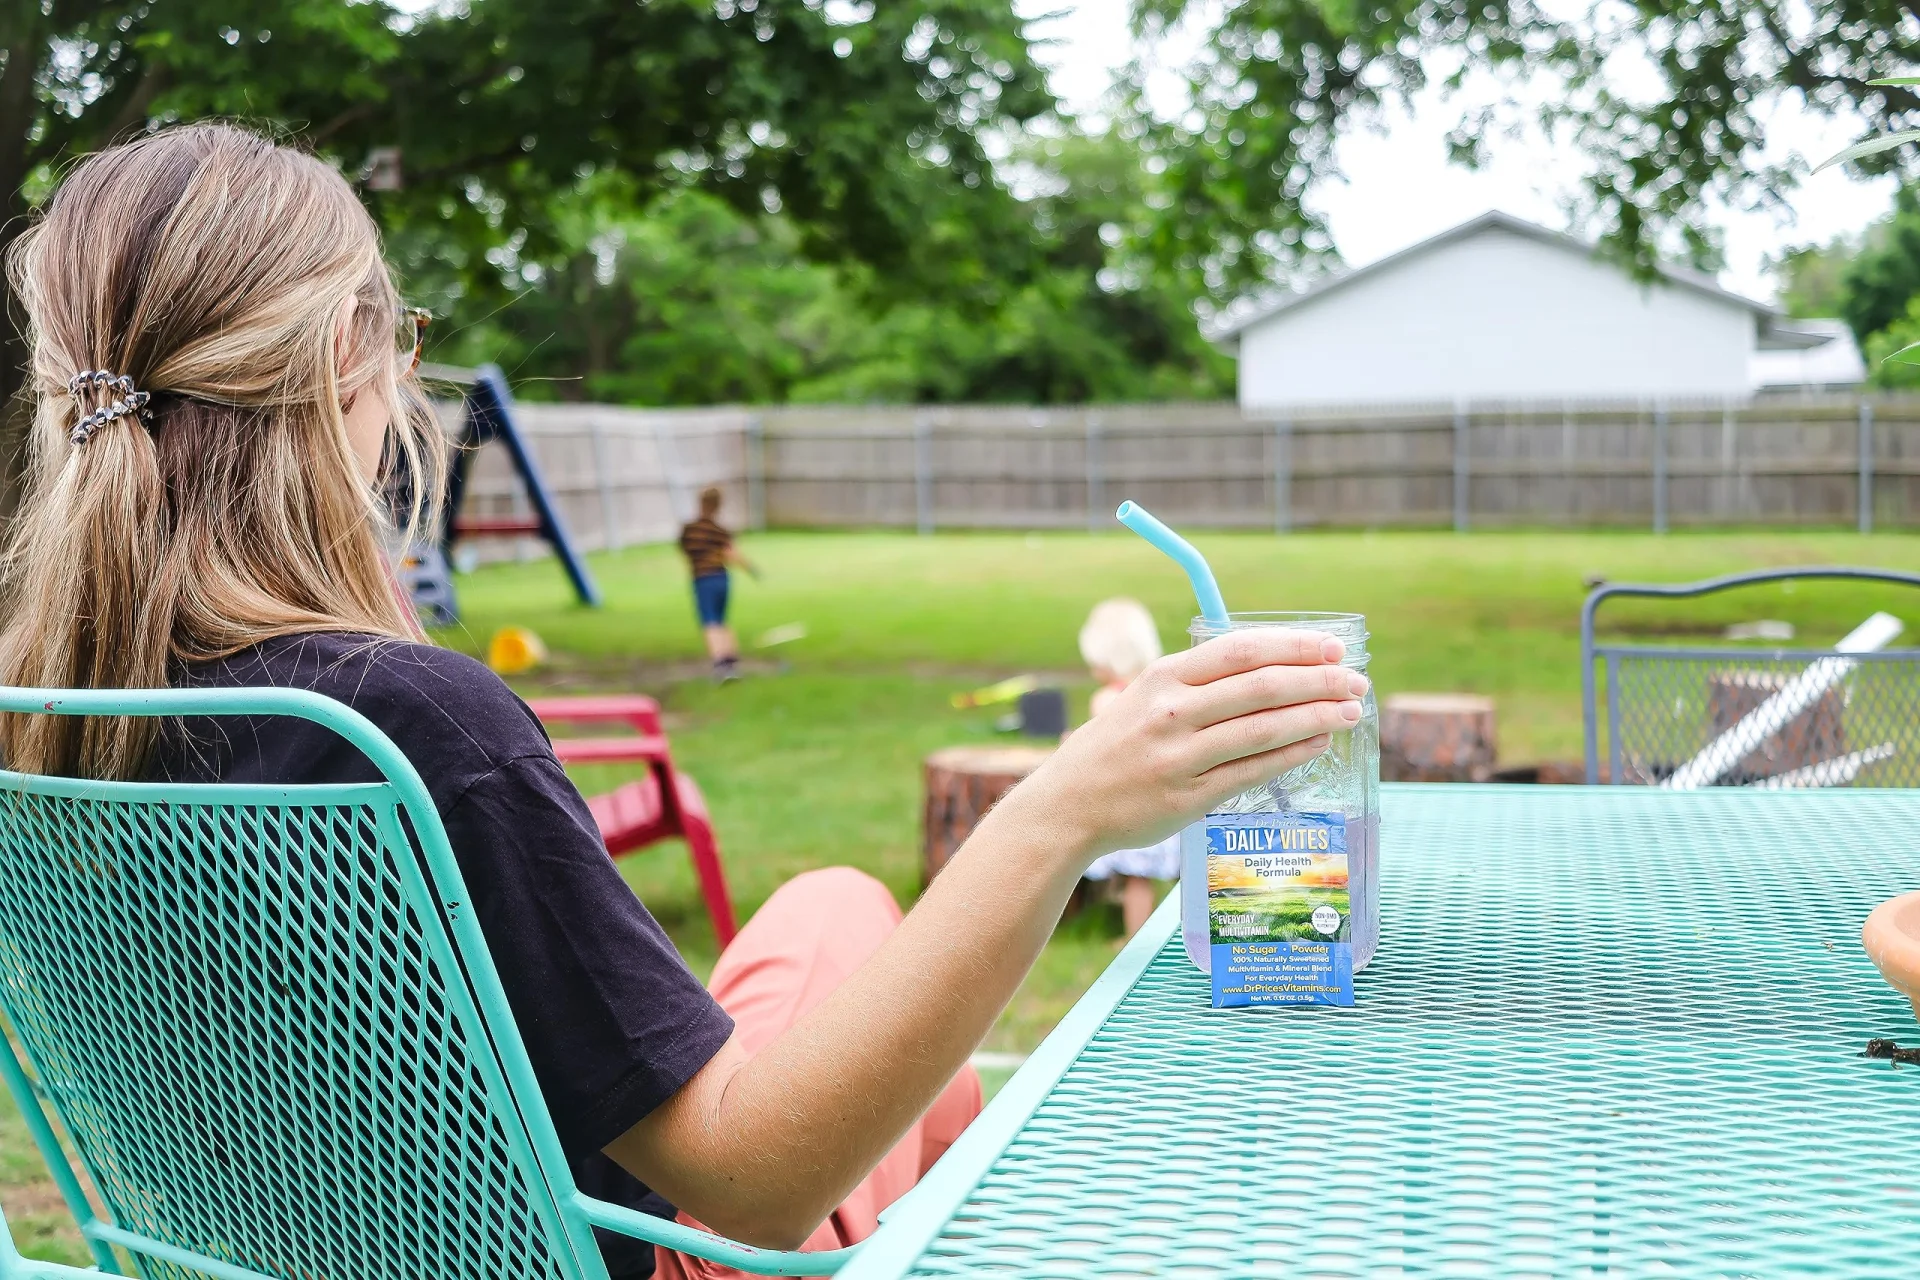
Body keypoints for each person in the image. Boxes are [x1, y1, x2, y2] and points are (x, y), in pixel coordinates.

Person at [0, 125, 1368, 1280]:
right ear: (342, 363)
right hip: (622, 1255)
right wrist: (1062, 809)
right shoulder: (403, 732)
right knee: (856, 1007)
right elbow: (752, 1185)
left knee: (831, 907)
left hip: (282, 1247)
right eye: (399, 335)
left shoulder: (46, 720)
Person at [1077, 599, 1183, 935]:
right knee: (1175, 874)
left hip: (1132, 801)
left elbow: (1100, 749)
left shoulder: (1106, 698)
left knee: (1138, 877)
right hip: (1167, 796)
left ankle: (1135, 937)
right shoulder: (1157, 692)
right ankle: (1179, 928)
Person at [678, 486, 754, 680]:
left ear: (701, 503)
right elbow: (732, 554)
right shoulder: (720, 531)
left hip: (703, 579)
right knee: (721, 619)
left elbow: (685, 551)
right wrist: (751, 569)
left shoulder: (690, 530)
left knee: (709, 621)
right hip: (722, 577)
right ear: (719, 506)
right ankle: (731, 658)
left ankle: (721, 664)